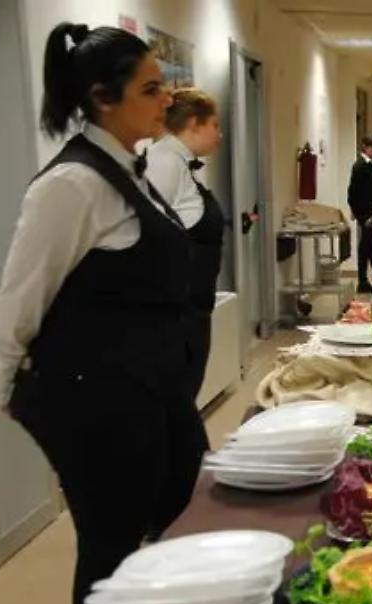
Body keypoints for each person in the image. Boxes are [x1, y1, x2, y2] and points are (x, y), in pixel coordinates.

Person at [0, 23, 206, 604]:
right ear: (103, 98)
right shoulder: (71, 184)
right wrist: (5, 388)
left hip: (149, 387)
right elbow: (19, 297)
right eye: (152, 89)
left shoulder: (128, 169)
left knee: (187, 507)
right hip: (100, 401)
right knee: (111, 548)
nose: (168, 100)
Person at [147, 87, 224, 400]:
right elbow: (148, 235)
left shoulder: (181, 163)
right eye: (215, 125)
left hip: (194, 307)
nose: (219, 134)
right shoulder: (162, 162)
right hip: (176, 312)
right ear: (194, 123)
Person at [348, 134, 372, 292]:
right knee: (367, 245)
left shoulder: (371, 164)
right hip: (365, 211)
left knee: (371, 244)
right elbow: (353, 191)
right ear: (365, 147)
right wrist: (355, 211)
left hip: (370, 210)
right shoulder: (360, 166)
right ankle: (365, 279)